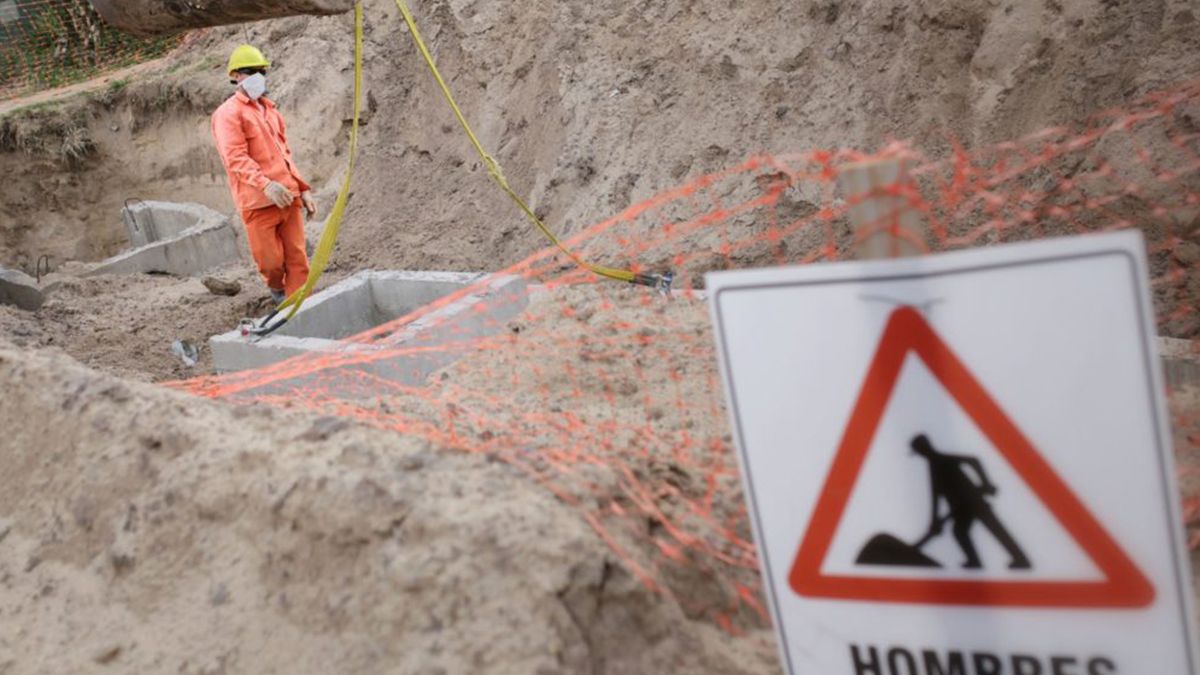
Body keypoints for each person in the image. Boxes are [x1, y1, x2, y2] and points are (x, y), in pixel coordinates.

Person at [211, 45, 317, 306]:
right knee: (270, 263)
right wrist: (265, 184)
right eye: (250, 72)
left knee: (297, 257)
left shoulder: (270, 110)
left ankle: (298, 305)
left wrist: (302, 188)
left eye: (261, 71)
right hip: (258, 202)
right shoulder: (228, 114)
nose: (258, 76)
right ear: (236, 76)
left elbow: (285, 153)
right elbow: (234, 157)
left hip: (287, 196)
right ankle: (278, 291)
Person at [911, 433, 1031, 570]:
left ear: (924, 448)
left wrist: (986, 482)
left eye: (919, 451)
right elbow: (936, 495)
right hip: (960, 508)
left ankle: (1019, 559)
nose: (920, 454)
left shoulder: (942, 460)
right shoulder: (933, 465)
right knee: (962, 532)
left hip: (973, 501)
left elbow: (974, 460)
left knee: (993, 529)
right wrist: (934, 521)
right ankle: (976, 562)